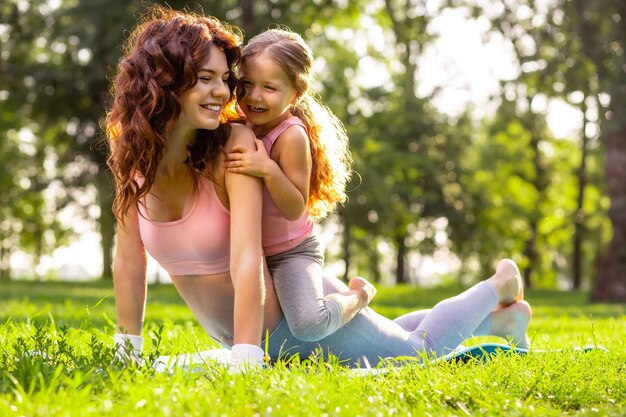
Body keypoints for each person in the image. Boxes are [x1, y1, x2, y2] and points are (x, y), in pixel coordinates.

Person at [107, 6, 531, 370]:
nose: (224, 93)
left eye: (224, 79)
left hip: (294, 329)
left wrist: (247, 356)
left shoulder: (235, 145)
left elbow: (247, 258)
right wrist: (127, 353)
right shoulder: (131, 149)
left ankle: (498, 284)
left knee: (418, 350)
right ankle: (500, 322)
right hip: (272, 329)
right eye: (207, 78)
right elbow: (129, 259)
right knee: (397, 336)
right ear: (165, 79)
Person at [224, 28, 375, 342]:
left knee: (308, 325)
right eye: (247, 84)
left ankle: (359, 295)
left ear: (295, 94)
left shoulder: (291, 136)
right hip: (250, 250)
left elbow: (295, 207)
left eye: (269, 88)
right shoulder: (237, 122)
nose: (254, 96)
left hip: (291, 252)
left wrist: (268, 170)